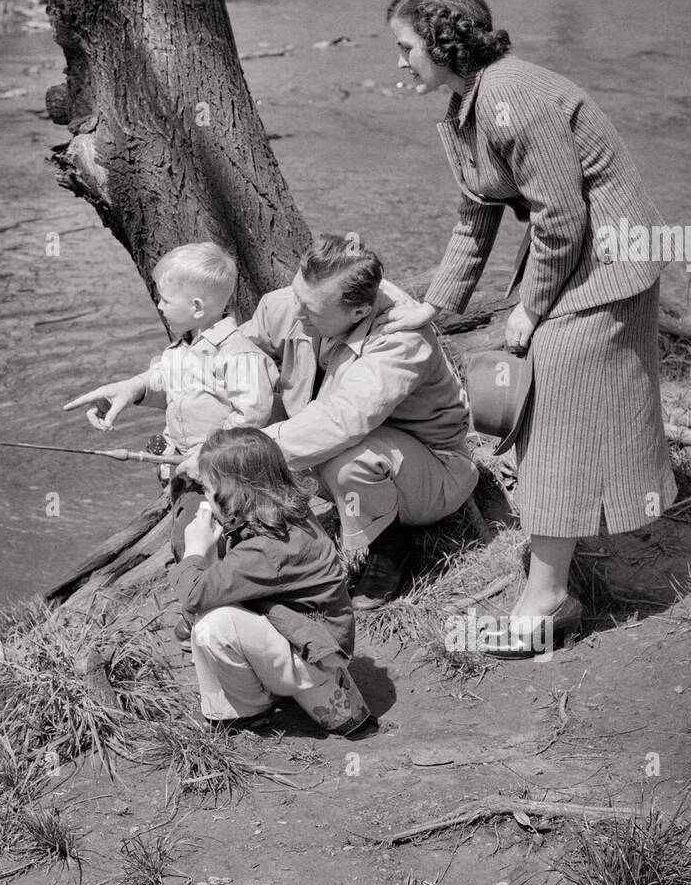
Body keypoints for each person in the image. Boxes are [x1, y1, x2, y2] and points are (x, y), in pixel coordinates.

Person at [384, 0, 677, 653]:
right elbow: (475, 217)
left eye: (405, 47)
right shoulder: (469, 103)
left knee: (549, 400)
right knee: (550, 405)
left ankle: (549, 596)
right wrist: (431, 305)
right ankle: (556, 568)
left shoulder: (511, 95)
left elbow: (560, 219)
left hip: (608, 263)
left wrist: (529, 307)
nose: (399, 62)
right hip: (583, 258)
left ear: (443, 39)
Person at [186, 233, 478, 611]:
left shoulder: (401, 341)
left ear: (358, 312)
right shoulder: (300, 302)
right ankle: (251, 539)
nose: (297, 312)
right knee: (243, 403)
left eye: (311, 309)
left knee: (347, 458)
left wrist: (230, 456)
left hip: (430, 469)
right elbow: (230, 360)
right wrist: (145, 386)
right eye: (297, 296)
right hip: (340, 449)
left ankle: (390, 551)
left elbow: (341, 421)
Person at [63, 242, 278, 558]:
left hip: (225, 474)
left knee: (199, 539)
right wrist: (131, 390)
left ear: (195, 308)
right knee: (187, 529)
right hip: (184, 468)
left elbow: (251, 418)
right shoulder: (181, 349)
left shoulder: (239, 356)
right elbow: (164, 383)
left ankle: (211, 589)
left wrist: (206, 456)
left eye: (164, 300)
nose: (159, 306)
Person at [173, 427, 370, 735]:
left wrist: (196, 550)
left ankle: (244, 712)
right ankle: (311, 693)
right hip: (321, 645)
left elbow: (193, 595)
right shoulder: (289, 515)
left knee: (211, 627)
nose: (205, 501)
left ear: (233, 495)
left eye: (209, 492)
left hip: (312, 659)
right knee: (219, 601)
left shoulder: (265, 551)